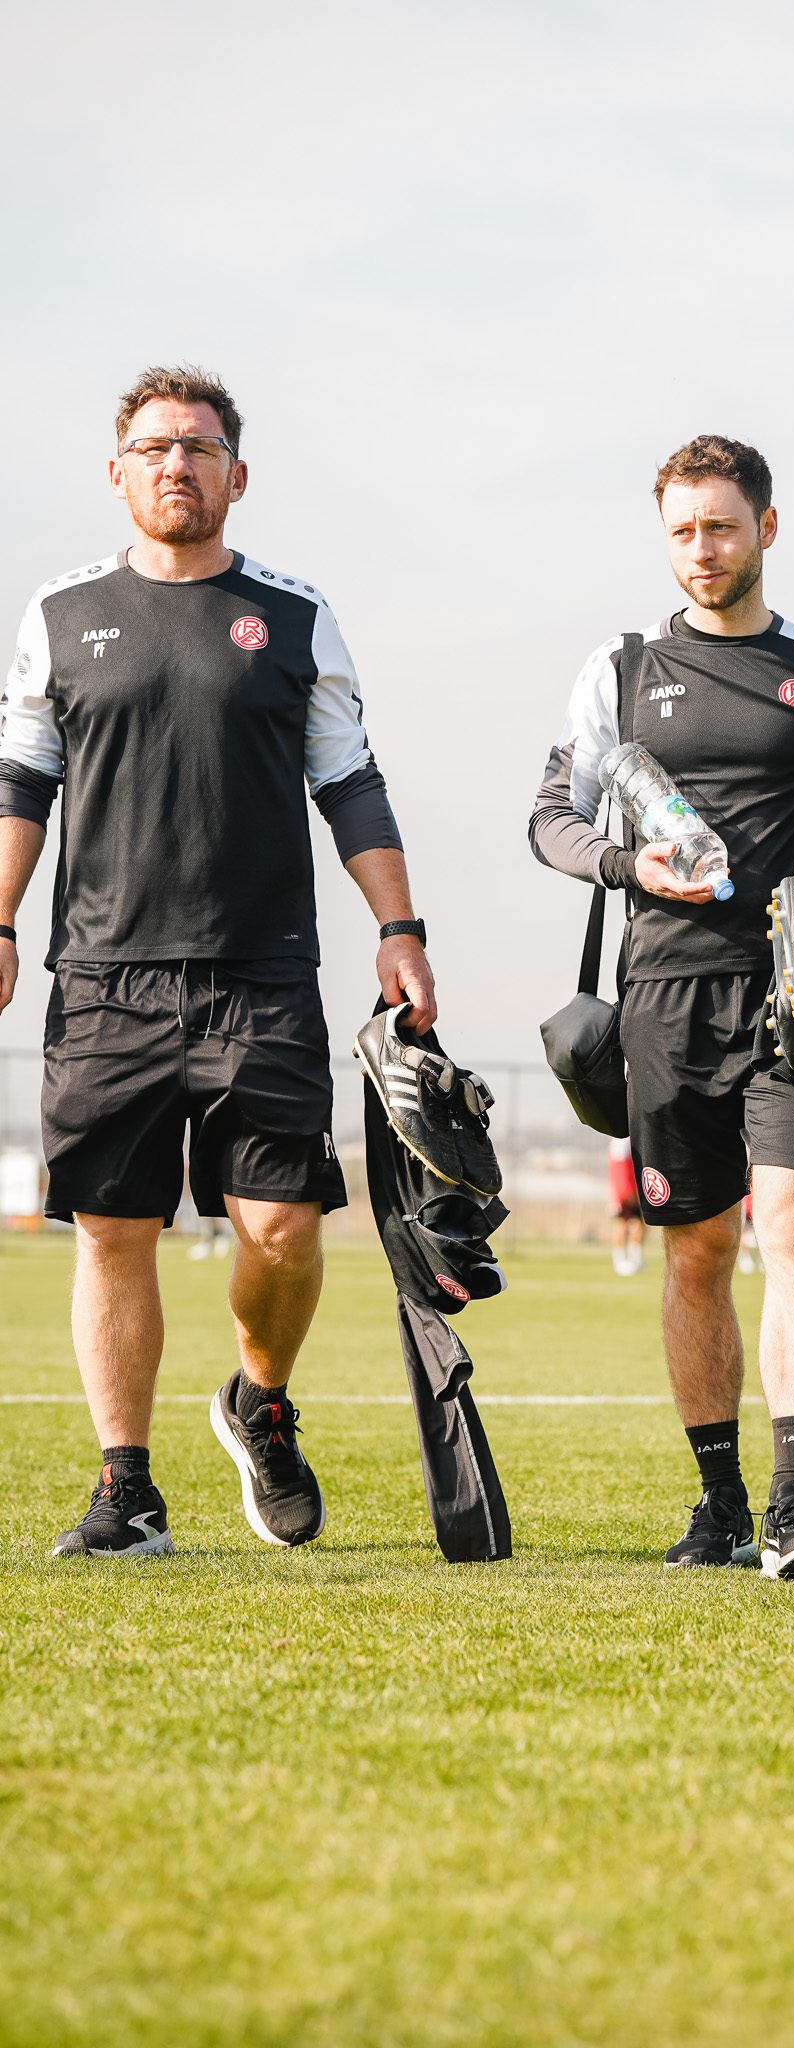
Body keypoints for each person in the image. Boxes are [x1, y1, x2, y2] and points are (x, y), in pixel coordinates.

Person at [0, 364, 435, 1557]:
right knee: (113, 1229)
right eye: (153, 447)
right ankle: (126, 1488)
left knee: (284, 1227)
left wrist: (400, 930)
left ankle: (260, 1399)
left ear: (237, 475)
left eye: (197, 447)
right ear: (117, 473)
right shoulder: (59, 614)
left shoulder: (293, 616)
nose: (175, 465)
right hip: (106, 975)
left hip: (261, 974)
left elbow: (350, 782)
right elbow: (21, 784)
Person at [529, 434, 794, 1578]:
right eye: (682, 530)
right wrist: (626, 865)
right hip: (665, 995)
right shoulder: (617, 671)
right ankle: (719, 1504)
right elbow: (551, 816)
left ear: (767, 527)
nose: (701, 548)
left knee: (793, 1224)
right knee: (696, 1249)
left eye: (721, 525)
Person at [607, 1135, 644, 1275]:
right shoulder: (621, 1141)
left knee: (638, 1225)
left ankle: (636, 1259)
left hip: (632, 1189)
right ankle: (619, 1261)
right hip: (623, 1192)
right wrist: (625, 1191)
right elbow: (619, 1169)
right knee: (621, 1224)